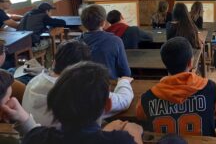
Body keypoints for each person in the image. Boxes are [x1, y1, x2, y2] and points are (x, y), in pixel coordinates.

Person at [0, 61, 143, 144]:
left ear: (53, 103)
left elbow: (35, 134)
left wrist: (23, 119)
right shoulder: (120, 140)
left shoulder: (38, 139)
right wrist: (135, 135)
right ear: (107, 105)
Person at [136, 37, 216, 136]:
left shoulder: (147, 98)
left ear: (165, 64)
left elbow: (140, 114)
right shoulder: (210, 88)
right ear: (190, 63)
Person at [22, 40, 134, 127]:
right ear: (83, 69)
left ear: (55, 61)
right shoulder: (83, 91)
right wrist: (124, 81)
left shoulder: (33, 82)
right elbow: (124, 101)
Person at [80, 5, 131, 79]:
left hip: (80, 86)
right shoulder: (115, 41)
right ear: (103, 22)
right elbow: (126, 72)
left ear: (83, 24)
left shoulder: (73, 43)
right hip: (107, 86)